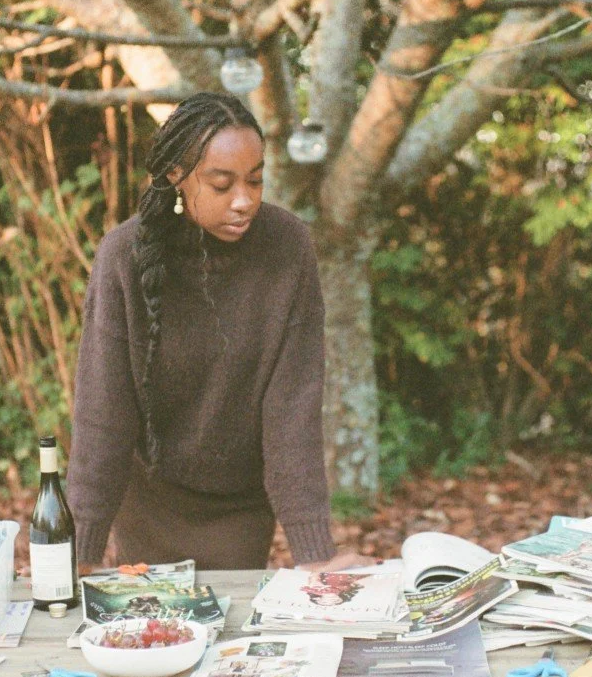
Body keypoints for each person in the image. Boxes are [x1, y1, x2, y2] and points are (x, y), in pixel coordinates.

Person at [67, 91, 373, 572]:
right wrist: (79, 552)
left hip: (240, 506)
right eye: (221, 183)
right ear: (177, 175)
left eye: (255, 181)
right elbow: (103, 413)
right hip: (147, 501)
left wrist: (315, 555)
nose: (243, 201)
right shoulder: (123, 255)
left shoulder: (288, 248)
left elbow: (292, 412)